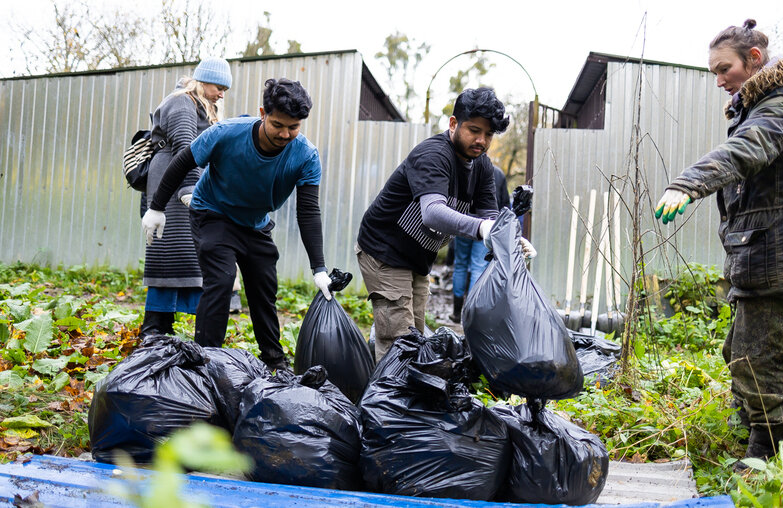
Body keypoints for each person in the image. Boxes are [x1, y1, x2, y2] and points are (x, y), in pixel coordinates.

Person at [655, 19, 783, 468]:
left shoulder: (778, 106)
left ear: (754, 59)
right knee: (740, 351)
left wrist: (688, 183)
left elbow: (747, 150)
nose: (719, 80)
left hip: (777, 257)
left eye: (724, 69)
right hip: (764, 255)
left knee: (758, 359)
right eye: (714, 72)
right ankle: (755, 434)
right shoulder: (759, 106)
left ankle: (769, 457)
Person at [141, 78, 332, 371]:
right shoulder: (227, 133)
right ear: (263, 113)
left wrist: (319, 268)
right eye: (278, 125)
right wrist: (156, 208)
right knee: (221, 279)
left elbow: (308, 211)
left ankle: (274, 360)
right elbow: (182, 161)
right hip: (213, 212)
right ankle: (205, 361)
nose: (285, 134)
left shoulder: (306, 155)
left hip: (255, 223)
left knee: (263, 287)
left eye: (293, 127)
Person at [357, 87, 535, 362]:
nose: (481, 140)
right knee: (398, 343)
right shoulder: (433, 155)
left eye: (488, 134)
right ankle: (385, 385)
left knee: (414, 334)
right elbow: (432, 213)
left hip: (417, 258)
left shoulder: (482, 165)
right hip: (383, 250)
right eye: (474, 130)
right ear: (453, 124)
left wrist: (509, 238)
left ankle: (392, 368)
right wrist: (482, 229)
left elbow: (489, 214)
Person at [140, 57, 232, 338]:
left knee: (188, 254)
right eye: (219, 87)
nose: (221, 94)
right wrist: (190, 191)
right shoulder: (183, 101)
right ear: (203, 81)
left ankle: (173, 327)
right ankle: (155, 327)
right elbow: (185, 148)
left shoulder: (199, 104)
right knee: (175, 252)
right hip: (175, 185)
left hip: (184, 181)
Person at [449, 163, 511, 323]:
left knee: (460, 264)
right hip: (486, 225)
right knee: (478, 266)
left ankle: (456, 312)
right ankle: (470, 314)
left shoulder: (464, 169)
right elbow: (505, 203)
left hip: (463, 222)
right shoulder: (498, 174)